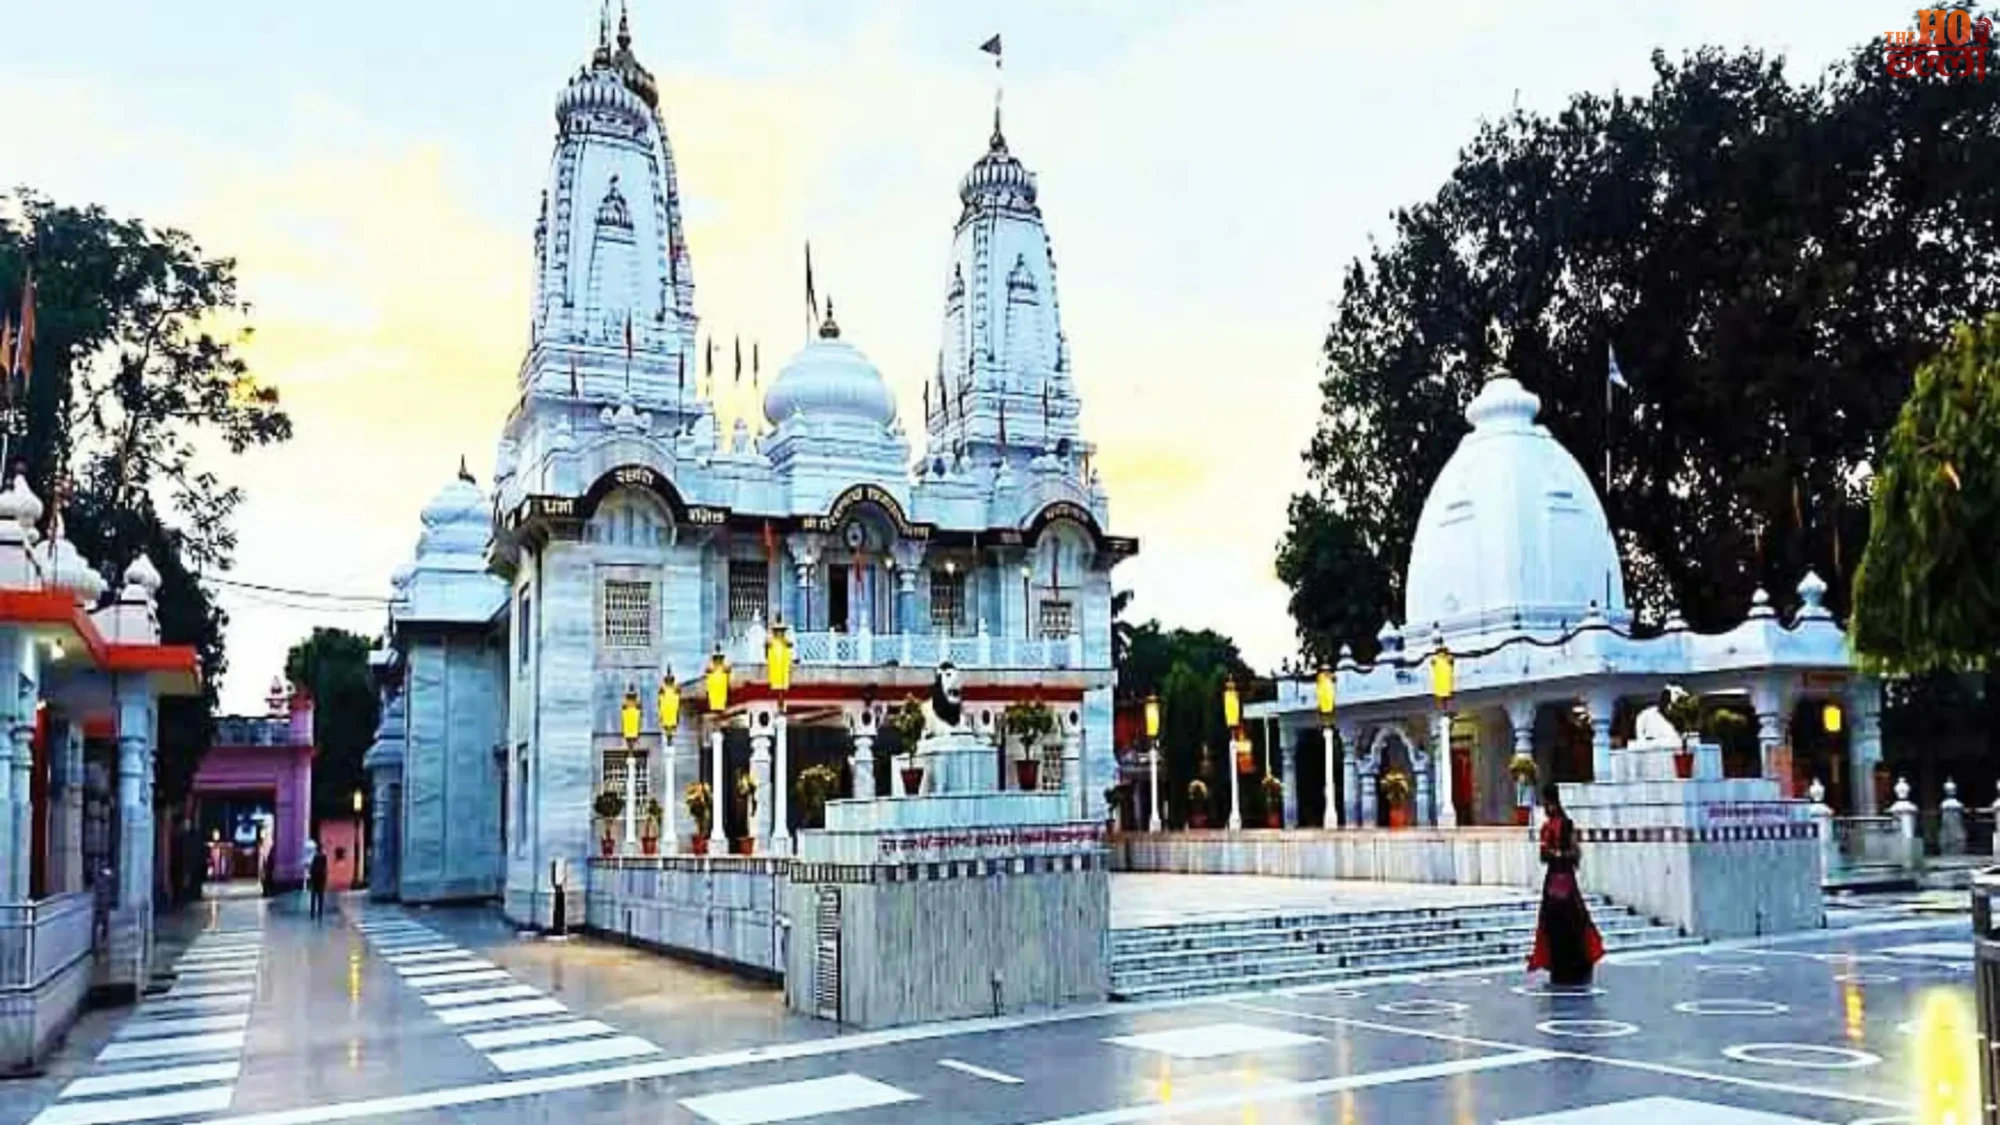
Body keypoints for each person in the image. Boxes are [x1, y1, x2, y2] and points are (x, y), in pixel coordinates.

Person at [1527, 783, 1603, 986]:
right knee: (1557, 924)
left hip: (1563, 879)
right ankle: (1561, 967)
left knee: (1571, 923)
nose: (1546, 807)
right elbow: (1544, 857)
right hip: (1555, 879)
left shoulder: (1565, 825)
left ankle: (1574, 966)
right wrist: (1551, 853)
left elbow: (1574, 853)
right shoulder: (1547, 827)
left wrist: (1558, 854)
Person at [307, 839, 329, 920]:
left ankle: (312, 913)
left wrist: (311, 874)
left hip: (315, 879)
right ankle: (320, 913)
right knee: (320, 897)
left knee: (313, 897)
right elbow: (325, 869)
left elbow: (312, 869)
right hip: (321, 879)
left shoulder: (315, 857)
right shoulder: (324, 857)